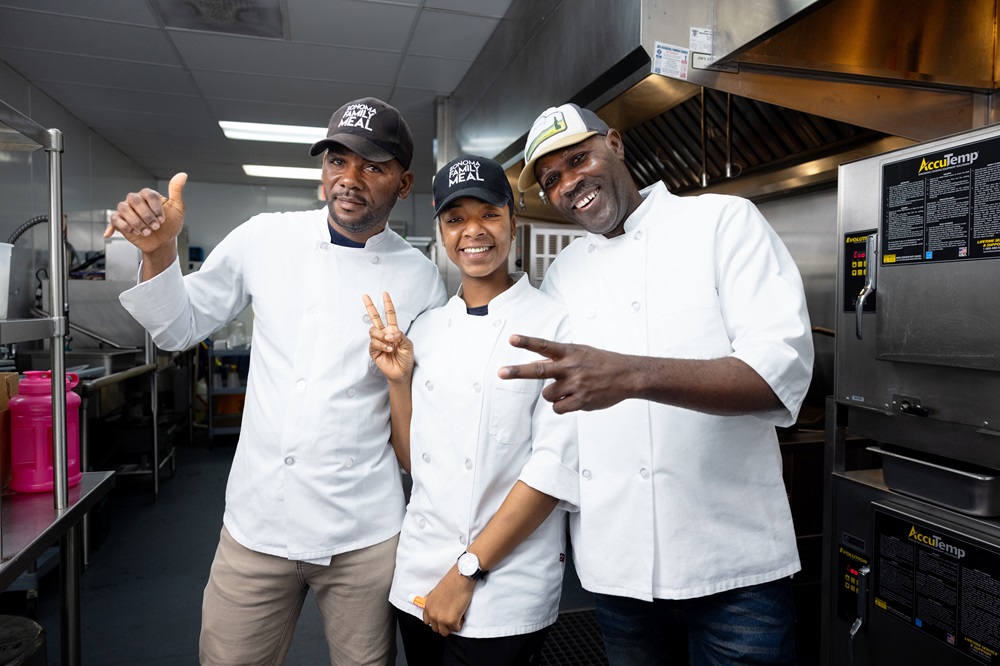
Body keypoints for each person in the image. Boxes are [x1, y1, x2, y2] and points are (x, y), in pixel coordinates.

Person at [107, 97, 447, 666]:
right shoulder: (265, 237)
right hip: (258, 521)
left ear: (404, 183)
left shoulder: (421, 278)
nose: (350, 178)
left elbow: (422, 408)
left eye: (373, 166)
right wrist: (159, 250)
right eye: (337, 160)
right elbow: (177, 329)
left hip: (364, 530)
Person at [499, 103, 815, 665]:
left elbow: (779, 375)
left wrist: (631, 374)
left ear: (615, 144)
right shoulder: (563, 275)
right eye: (551, 179)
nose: (569, 184)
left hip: (733, 565)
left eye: (579, 160)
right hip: (616, 568)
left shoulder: (723, 222)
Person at [364, 155, 578, 666]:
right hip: (419, 574)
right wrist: (398, 382)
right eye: (456, 218)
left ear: (513, 222)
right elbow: (416, 461)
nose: (473, 231)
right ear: (442, 232)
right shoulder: (427, 328)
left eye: (489, 214)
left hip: (505, 583)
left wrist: (466, 573)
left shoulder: (556, 327)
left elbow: (552, 471)